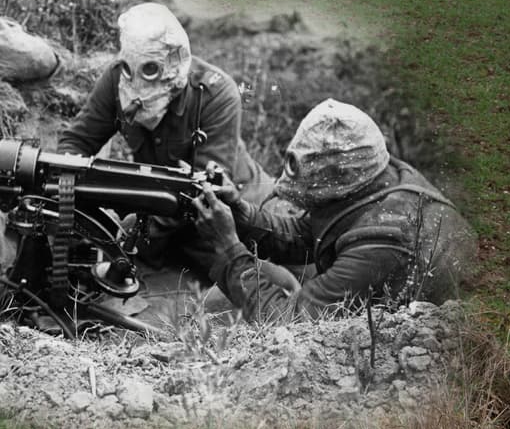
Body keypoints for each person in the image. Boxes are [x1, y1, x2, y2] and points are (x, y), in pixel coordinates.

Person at [192, 98, 475, 322]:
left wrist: (228, 248)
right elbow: (311, 233)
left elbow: (287, 322)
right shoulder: (375, 175)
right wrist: (242, 215)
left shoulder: (384, 238)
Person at [57, 2, 270, 283]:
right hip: (161, 209)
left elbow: (205, 192)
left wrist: (132, 229)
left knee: (249, 282)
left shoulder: (216, 94)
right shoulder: (116, 79)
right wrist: (71, 196)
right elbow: (77, 140)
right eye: (131, 68)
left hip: (226, 214)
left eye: (150, 69)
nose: (137, 82)